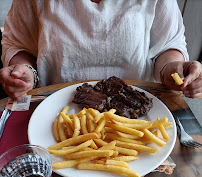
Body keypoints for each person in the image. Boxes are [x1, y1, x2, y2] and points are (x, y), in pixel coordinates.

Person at [0, 0, 201, 101]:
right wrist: (24, 72)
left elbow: (167, 46)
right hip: (55, 113)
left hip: (136, 113)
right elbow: (18, 43)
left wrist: (176, 70)